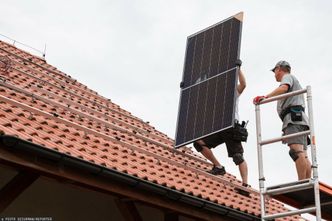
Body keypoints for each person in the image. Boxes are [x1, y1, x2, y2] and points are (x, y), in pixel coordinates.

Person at [193, 60, 249, 186]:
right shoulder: (214, 97)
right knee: (199, 142)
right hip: (219, 127)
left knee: (238, 157)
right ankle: (218, 167)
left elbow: (243, 84)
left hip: (231, 127)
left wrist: (238, 68)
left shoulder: (232, 92)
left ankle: (245, 184)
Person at [253, 60, 312, 180]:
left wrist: (266, 97)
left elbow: (284, 88)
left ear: (279, 69)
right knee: (303, 154)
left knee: (296, 151)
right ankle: (306, 182)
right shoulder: (293, 80)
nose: (274, 74)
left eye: (275, 71)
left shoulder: (287, 77)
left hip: (293, 119)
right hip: (299, 119)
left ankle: (302, 183)